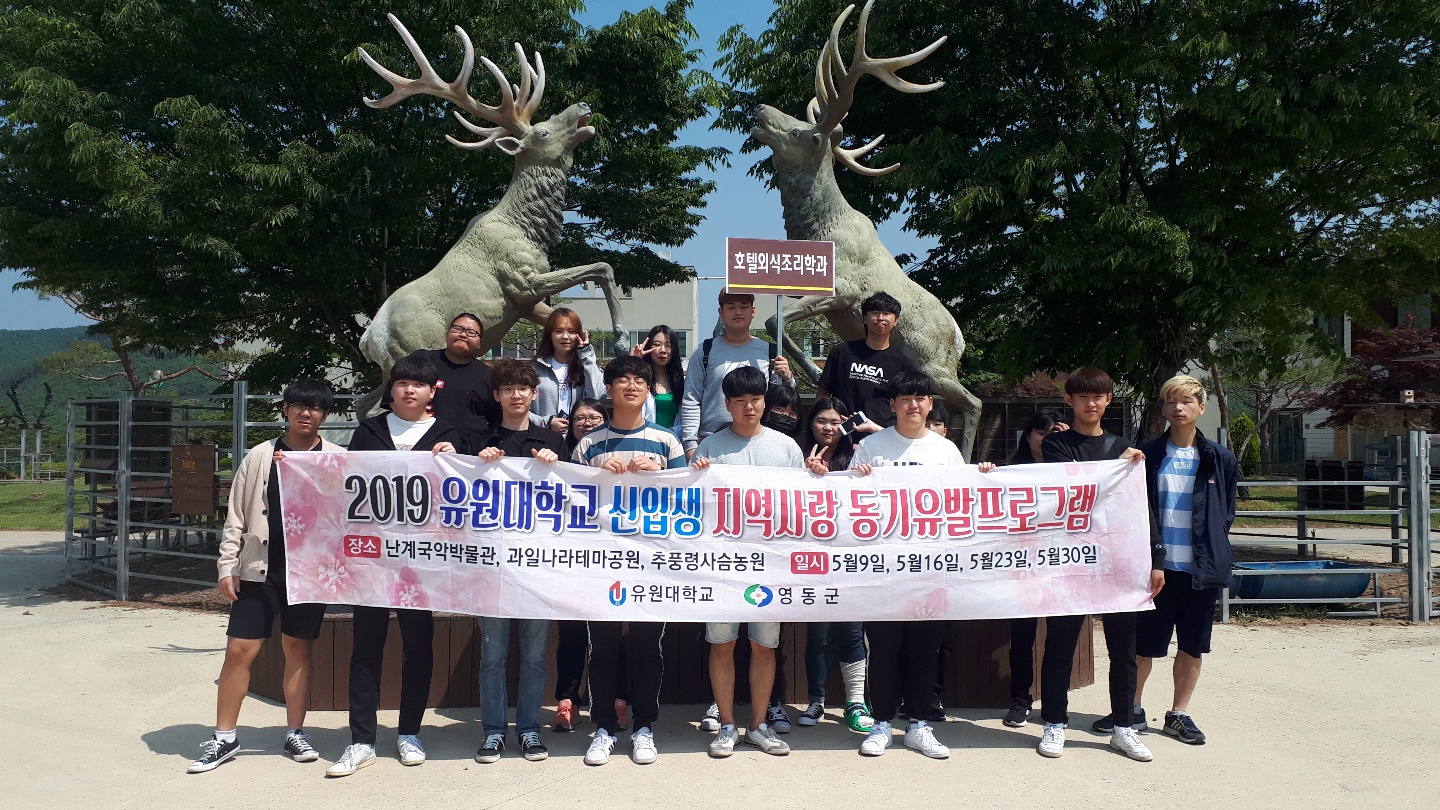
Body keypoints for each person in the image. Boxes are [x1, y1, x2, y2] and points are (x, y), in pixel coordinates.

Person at [809, 371, 993, 759]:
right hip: (884, 570)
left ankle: (919, 724)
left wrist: (984, 479)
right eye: (905, 398)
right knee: (885, 648)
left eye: (920, 398)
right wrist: (841, 480)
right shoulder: (870, 447)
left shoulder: (946, 451)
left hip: (931, 568)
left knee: (925, 649)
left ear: (930, 404)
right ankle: (881, 723)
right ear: (892, 405)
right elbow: (848, 502)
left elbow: (964, 502)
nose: (913, 404)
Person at [187, 380, 342, 774]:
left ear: (325, 414)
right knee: (239, 651)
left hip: (308, 574)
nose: (306, 413)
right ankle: (224, 737)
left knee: (298, 650)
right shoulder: (259, 456)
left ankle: (295, 732)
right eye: (298, 405)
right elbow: (236, 514)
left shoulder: (337, 458)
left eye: (316, 407)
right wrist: (227, 565)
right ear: (285, 409)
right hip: (259, 569)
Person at [327, 354, 461, 777]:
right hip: (371, 558)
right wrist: (296, 468)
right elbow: (344, 481)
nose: (409, 390)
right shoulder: (369, 430)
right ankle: (361, 740)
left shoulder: (449, 432)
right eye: (402, 383)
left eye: (418, 384)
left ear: (432, 390)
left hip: (422, 563)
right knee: (366, 647)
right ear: (392, 389)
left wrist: (457, 457)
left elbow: (469, 487)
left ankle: (409, 733)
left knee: (418, 646)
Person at [1033, 367, 1165, 763]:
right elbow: (1070, 491)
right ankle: (1054, 722)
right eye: (1082, 397)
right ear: (1069, 401)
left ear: (1109, 400)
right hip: (1071, 560)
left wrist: (1156, 558)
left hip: (1119, 561)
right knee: (1060, 645)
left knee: (1123, 648)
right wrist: (1116, 466)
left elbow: (1142, 508)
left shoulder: (1125, 448)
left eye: (1098, 396)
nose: (1091, 403)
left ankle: (1124, 726)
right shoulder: (1057, 446)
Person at [572, 355, 688, 766]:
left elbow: (688, 499)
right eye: (622, 380)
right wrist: (597, 475)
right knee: (602, 648)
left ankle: (644, 728)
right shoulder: (589, 444)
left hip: (651, 563)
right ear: (608, 389)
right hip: (601, 562)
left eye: (640, 380)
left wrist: (660, 473)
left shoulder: (667, 441)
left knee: (646, 647)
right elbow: (569, 501)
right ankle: (603, 728)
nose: (631, 386)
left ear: (648, 389)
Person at [691, 367, 805, 758]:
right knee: (722, 645)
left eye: (755, 399)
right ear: (727, 404)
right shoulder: (710, 448)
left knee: (764, 646)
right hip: (722, 564)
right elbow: (694, 506)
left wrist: (818, 478)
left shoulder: (786, 448)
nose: (749, 407)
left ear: (764, 402)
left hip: (770, 564)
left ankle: (758, 726)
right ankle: (726, 725)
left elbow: (801, 504)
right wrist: (695, 476)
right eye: (740, 401)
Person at [472, 360, 570, 764]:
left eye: (523, 389)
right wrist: (477, 462)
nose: (516, 395)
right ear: (497, 395)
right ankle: (494, 731)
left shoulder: (553, 442)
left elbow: (573, 497)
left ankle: (529, 729)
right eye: (507, 389)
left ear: (534, 394)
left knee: (533, 656)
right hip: (490, 567)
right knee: (492, 656)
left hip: (537, 567)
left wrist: (555, 466)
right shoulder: (479, 439)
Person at [1134, 375, 1237, 745]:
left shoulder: (1220, 458)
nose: (1178, 408)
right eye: (1171, 401)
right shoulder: (1147, 455)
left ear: (1201, 407)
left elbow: (1226, 513)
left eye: (1187, 401)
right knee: (1143, 646)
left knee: (1192, 645)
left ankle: (1178, 713)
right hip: (1156, 570)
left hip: (1199, 571)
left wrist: (1212, 550)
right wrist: (1152, 558)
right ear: (1163, 408)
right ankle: (1132, 709)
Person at [796, 397, 873, 733]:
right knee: (818, 634)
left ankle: (855, 702)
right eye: (821, 421)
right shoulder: (797, 456)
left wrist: (865, 475)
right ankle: (816, 700)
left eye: (835, 421)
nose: (828, 428)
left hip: (851, 559)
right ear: (810, 422)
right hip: (811, 562)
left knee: (853, 632)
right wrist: (807, 476)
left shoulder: (859, 454)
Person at [551, 398, 627, 733]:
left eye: (594, 416)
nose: (586, 422)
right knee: (571, 635)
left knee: (611, 635)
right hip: (571, 559)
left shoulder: (617, 452)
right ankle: (568, 701)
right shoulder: (557, 454)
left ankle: (615, 701)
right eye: (579, 417)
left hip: (614, 559)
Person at [1002, 410, 1070, 729]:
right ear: (1027, 436)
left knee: (1058, 640)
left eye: (1054, 433)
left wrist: (1068, 445)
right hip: (1021, 566)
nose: (1046, 439)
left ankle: (1055, 705)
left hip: (1062, 565)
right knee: (1022, 637)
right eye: (1041, 432)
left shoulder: (1073, 468)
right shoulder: (1011, 473)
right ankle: (1020, 700)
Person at [678, 290, 794, 457]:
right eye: (731, 307)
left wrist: (788, 379)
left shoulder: (770, 351)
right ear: (721, 312)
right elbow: (691, 398)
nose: (738, 312)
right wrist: (690, 445)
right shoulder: (705, 351)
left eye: (744, 307)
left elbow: (780, 399)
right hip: (711, 441)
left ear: (753, 311)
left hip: (757, 442)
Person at [383, 313, 499, 453]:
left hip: (468, 455)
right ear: (446, 334)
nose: (463, 335)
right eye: (457, 329)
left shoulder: (489, 376)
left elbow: (498, 419)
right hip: (419, 448)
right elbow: (393, 398)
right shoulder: (423, 359)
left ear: (479, 343)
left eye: (471, 332)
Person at [816, 291, 916, 432]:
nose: (880, 318)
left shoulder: (903, 364)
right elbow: (823, 393)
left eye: (886, 313)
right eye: (875, 313)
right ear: (864, 318)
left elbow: (908, 405)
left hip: (882, 435)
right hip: (843, 433)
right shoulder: (842, 352)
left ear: (896, 321)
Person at [532, 307, 604, 435]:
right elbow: (519, 410)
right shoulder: (534, 370)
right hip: (542, 438)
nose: (565, 337)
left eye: (571, 332)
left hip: (579, 439)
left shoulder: (588, 368)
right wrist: (546, 422)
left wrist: (586, 354)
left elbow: (596, 398)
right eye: (558, 331)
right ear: (550, 335)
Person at [631, 324, 686, 430]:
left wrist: (672, 432)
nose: (663, 350)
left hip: (674, 438)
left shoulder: (682, 382)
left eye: (668, 345)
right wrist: (634, 361)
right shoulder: (639, 380)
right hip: (644, 437)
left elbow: (689, 418)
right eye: (656, 345)